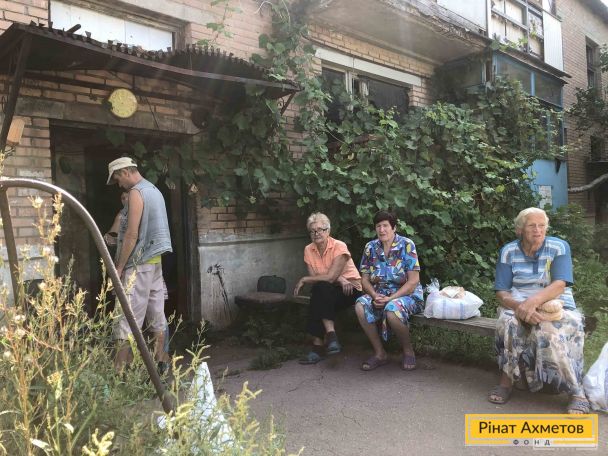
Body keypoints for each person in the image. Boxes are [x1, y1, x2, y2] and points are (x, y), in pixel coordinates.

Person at [489, 207, 589, 414]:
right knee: (508, 323)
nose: (538, 230)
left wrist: (532, 303)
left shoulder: (558, 247)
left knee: (548, 331)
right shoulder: (508, 251)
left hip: (557, 304)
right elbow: (502, 291)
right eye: (532, 226)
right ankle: (506, 381)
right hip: (517, 304)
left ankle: (576, 391)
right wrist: (520, 307)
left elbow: (560, 284)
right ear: (519, 229)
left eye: (542, 225)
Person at [106, 157, 172, 372]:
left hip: (138, 263)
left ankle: (120, 373)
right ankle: (161, 367)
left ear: (126, 172)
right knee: (157, 318)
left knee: (126, 319)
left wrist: (119, 266)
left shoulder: (136, 192)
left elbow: (132, 234)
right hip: (155, 262)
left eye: (118, 179)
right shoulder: (154, 190)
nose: (119, 185)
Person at [355, 211, 424, 371]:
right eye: (378, 226)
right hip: (379, 294)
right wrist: (374, 295)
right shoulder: (370, 247)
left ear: (394, 228)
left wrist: (390, 298)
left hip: (407, 294)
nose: (382, 230)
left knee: (392, 310)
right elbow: (364, 279)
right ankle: (380, 353)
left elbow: (413, 281)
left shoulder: (407, 245)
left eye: (385, 225)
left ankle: (408, 351)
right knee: (360, 305)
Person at [294, 212, 362, 364]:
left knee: (319, 293)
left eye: (320, 229)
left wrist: (305, 279)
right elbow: (317, 278)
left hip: (350, 289)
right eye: (312, 231)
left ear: (328, 231)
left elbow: (324, 277)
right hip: (328, 289)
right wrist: (338, 278)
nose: (316, 233)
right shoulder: (308, 249)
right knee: (320, 289)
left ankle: (318, 347)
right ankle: (331, 336)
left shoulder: (339, 246)